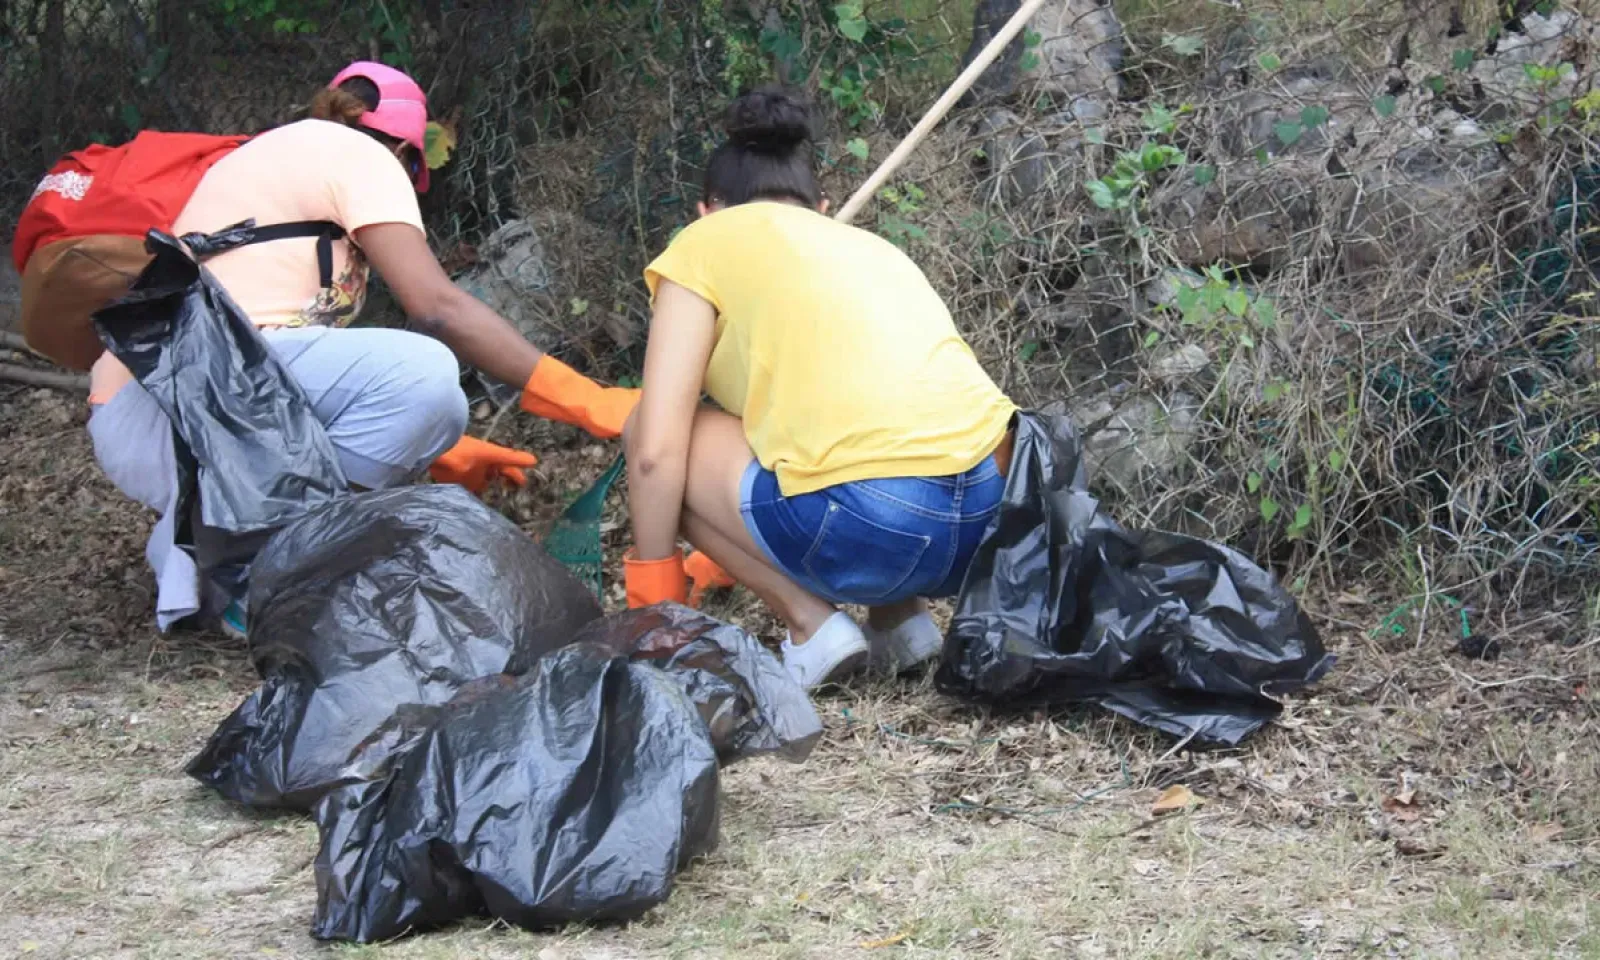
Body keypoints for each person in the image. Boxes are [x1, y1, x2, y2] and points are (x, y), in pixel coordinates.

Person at [85, 61, 638, 635]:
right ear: (404, 150)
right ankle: (263, 582)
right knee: (424, 375)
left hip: (145, 414)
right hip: (185, 405)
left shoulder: (278, 158)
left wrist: (441, 446)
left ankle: (218, 573)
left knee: (424, 397)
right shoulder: (360, 155)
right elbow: (437, 307)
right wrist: (584, 400)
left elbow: (295, 378)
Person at [619, 87, 1018, 691]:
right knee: (852, 433)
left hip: (875, 527)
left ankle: (811, 626)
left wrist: (652, 602)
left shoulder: (703, 244)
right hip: (988, 524)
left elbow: (653, 455)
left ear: (705, 212)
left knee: (650, 426)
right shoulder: (875, 247)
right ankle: (901, 622)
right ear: (824, 208)